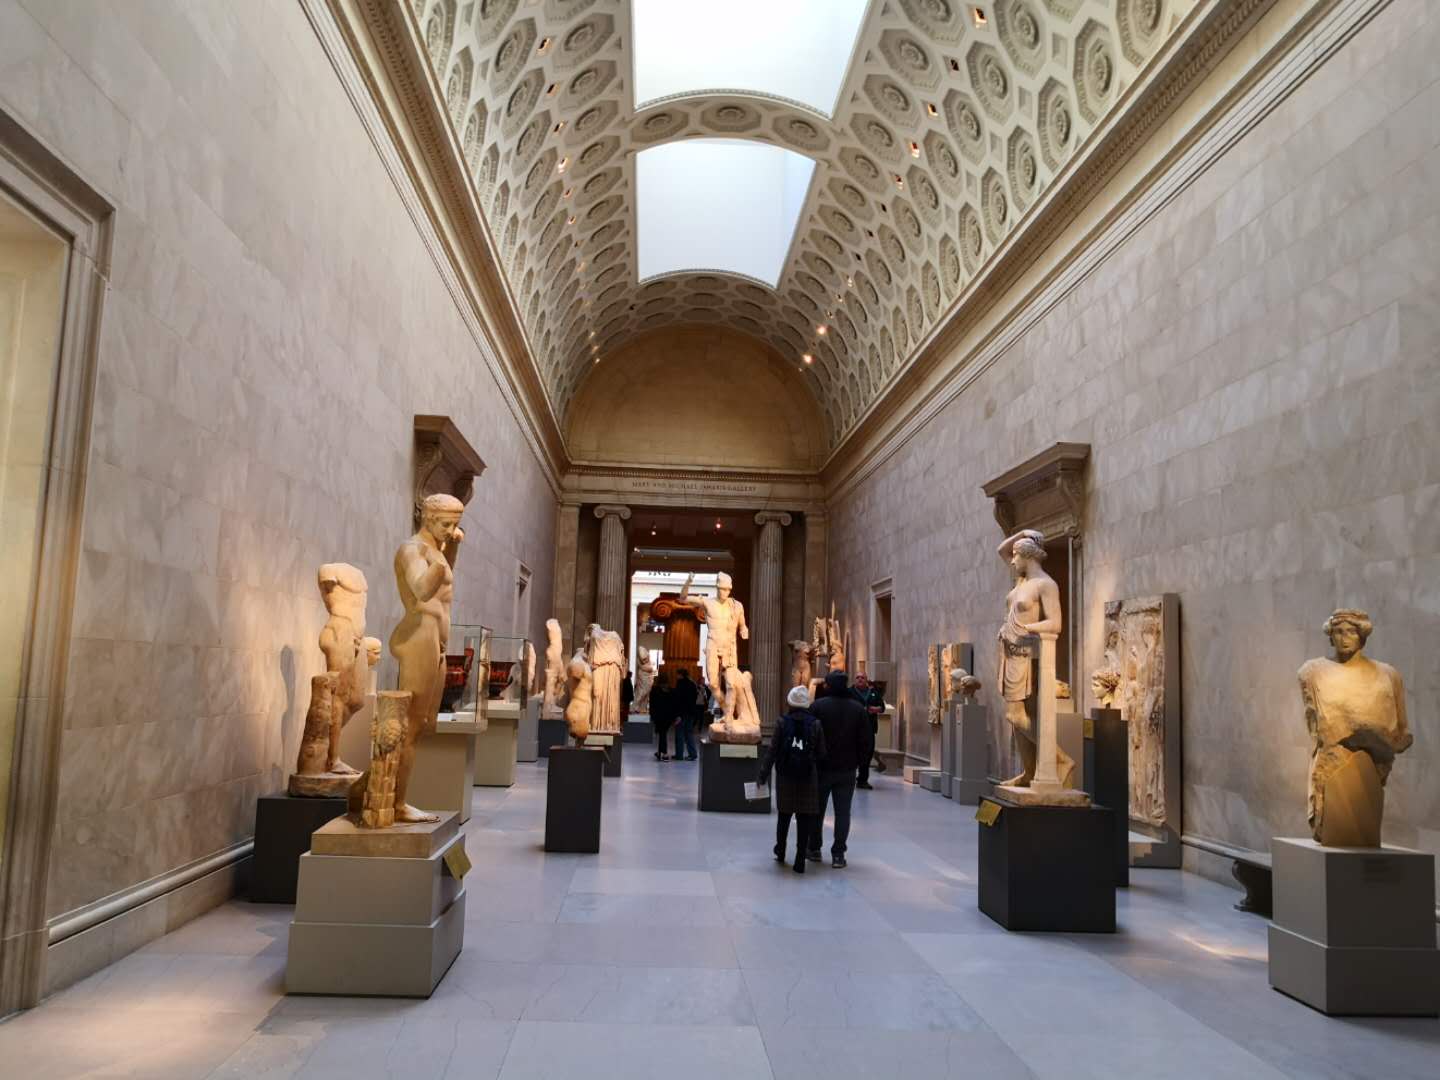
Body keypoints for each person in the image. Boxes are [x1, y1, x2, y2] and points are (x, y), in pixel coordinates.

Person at [758, 685, 827, 874]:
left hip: (785, 775)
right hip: (807, 776)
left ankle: (780, 850)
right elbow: (821, 753)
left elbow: (772, 751)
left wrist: (763, 774)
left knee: (784, 815)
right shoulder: (815, 724)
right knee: (804, 819)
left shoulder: (782, 722)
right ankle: (799, 860)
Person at [807, 670, 872, 868]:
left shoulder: (818, 706)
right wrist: (859, 763)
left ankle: (814, 849)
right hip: (847, 769)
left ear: (829, 685)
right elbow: (866, 740)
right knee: (843, 813)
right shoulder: (857, 709)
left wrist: (812, 760)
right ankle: (838, 854)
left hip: (822, 768)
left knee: (817, 811)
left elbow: (809, 736)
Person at [854, 673, 887, 788]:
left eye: (862, 678)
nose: (860, 679)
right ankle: (849, 778)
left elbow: (882, 708)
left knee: (867, 754)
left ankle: (862, 780)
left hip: (869, 728)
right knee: (852, 753)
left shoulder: (873, 693)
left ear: (866, 680)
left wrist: (876, 709)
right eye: (857, 677)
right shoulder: (850, 692)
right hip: (853, 729)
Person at [672, 667, 700, 761]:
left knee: (679, 734)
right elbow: (694, 697)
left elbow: (678, 700)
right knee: (689, 733)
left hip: (682, 713)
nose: (676, 676)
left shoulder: (680, 684)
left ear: (681, 675)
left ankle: (679, 755)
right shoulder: (692, 684)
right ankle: (693, 754)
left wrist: (678, 715)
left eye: (677, 674)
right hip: (691, 712)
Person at [650, 671, 674, 760]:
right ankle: (661, 752)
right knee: (663, 734)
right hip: (668, 716)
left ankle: (664, 753)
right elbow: (673, 704)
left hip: (659, 716)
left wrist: (652, 715)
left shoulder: (655, 690)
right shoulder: (671, 690)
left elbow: (652, 704)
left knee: (662, 734)